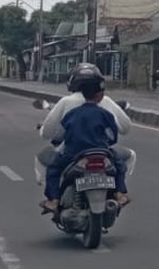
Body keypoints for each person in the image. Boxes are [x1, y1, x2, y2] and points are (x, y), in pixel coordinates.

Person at [38, 63, 134, 215]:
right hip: (102, 151)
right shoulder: (106, 107)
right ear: (100, 93)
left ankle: (54, 200)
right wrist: (106, 142)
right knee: (119, 166)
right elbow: (117, 132)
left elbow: (56, 132)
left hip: (72, 152)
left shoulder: (68, 107)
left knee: (53, 169)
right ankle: (119, 193)